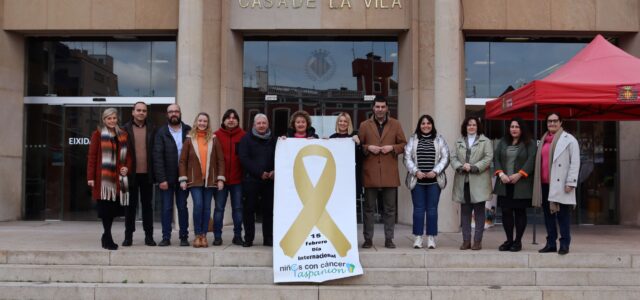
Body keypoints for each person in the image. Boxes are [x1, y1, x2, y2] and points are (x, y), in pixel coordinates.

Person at [358, 96, 407, 249]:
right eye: (377, 107)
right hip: (370, 172)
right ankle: (368, 239)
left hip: (389, 172)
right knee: (369, 209)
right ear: (373, 108)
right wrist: (368, 148)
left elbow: (404, 144)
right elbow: (359, 146)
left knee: (390, 209)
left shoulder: (396, 124)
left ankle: (389, 239)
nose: (380, 109)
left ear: (387, 108)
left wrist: (392, 148)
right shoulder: (365, 125)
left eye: (382, 107)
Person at [533, 112, 580, 255]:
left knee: (563, 216)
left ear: (561, 122)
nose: (552, 124)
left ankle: (564, 243)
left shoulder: (569, 140)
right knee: (548, 216)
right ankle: (551, 243)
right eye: (549, 121)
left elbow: (575, 162)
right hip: (545, 184)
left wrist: (571, 182)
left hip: (562, 185)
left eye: (555, 121)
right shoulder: (543, 141)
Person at [87, 108, 132, 250]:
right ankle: (107, 236)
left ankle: (106, 236)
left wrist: (127, 167)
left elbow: (129, 156)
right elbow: (92, 157)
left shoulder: (123, 135)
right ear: (104, 120)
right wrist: (90, 177)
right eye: (109, 118)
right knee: (105, 209)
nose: (112, 121)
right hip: (103, 180)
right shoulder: (97, 135)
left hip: (118, 179)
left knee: (113, 210)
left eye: (114, 118)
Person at [179, 112, 225, 248]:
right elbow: (182, 161)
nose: (202, 123)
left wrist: (220, 178)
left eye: (205, 121)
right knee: (198, 206)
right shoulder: (189, 139)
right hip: (194, 181)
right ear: (196, 122)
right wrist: (183, 179)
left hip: (210, 180)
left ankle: (204, 235)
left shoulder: (214, 139)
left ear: (208, 123)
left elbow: (220, 160)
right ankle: (197, 235)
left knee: (206, 209)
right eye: (200, 121)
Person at [404, 114, 449, 249]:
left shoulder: (439, 139)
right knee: (418, 210)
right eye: (423, 123)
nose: (426, 126)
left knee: (432, 210)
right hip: (417, 181)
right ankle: (418, 237)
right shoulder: (413, 139)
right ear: (419, 125)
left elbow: (445, 157)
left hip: (434, 182)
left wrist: (435, 171)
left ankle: (431, 237)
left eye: (428, 123)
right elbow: (407, 157)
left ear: (432, 125)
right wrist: (415, 171)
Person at [493, 117, 536, 252]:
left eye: (517, 127)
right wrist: (501, 174)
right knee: (506, 212)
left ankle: (518, 242)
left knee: (519, 212)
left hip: (521, 184)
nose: (514, 129)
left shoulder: (530, 143)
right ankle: (509, 240)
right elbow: (497, 158)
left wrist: (519, 174)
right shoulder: (503, 142)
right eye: (512, 126)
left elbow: (531, 160)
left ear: (522, 128)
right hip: (504, 183)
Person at [450, 116, 493, 251]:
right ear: (465, 126)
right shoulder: (458, 142)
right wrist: (461, 166)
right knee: (465, 212)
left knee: (479, 213)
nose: (471, 127)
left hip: (478, 181)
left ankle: (477, 241)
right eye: (469, 125)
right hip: (463, 181)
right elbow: (453, 157)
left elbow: (488, 157)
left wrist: (473, 167)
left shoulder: (485, 141)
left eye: (474, 125)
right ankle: (466, 241)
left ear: (478, 126)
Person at [153, 104, 192, 247]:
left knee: (182, 207)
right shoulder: (161, 132)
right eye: (171, 112)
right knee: (166, 208)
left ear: (180, 113)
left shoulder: (189, 130)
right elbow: (157, 157)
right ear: (167, 115)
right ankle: (166, 237)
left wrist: (189, 176)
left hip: (184, 178)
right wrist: (161, 179)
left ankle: (183, 237)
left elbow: (193, 156)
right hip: (166, 178)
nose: (174, 114)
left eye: (176, 111)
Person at [238, 113, 276, 247]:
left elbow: (281, 156)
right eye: (259, 123)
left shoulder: (274, 139)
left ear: (268, 124)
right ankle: (248, 238)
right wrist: (260, 173)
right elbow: (244, 158)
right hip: (251, 180)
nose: (261, 125)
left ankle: (268, 238)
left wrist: (274, 171)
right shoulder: (246, 139)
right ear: (254, 125)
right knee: (249, 210)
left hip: (270, 181)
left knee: (268, 211)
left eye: (264, 123)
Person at [121, 101, 157, 247]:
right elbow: (119, 152)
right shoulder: (124, 129)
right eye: (139, 110)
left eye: (144, 110)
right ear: (133, 112)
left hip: (147, 175)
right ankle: (128, 236)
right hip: (130, 175)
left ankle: (149, 236)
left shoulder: (153, 128)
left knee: (147, 206)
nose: (141, 112)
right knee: (130, 207)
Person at [213, 109, 246, 246]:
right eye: (228, 118)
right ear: (224, 120)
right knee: (219, 209)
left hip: (238, 180)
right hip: (221, 180)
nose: (231, 120)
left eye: (234, 118)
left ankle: (237, 235)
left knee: (237, 209)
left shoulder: (244, 136)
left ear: (238, 120)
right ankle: (217, 236)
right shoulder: (215, 135)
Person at [329, 112, 363, 198]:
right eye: (340, 121)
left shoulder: (354, 138)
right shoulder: (332, 138)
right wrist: (325, 142)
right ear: (337, 123)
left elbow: (361, 158)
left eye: (345, 121)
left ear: (349, 124)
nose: (342, 123)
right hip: (336, 175)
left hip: (350, 176)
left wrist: (358, 144)